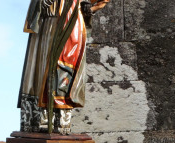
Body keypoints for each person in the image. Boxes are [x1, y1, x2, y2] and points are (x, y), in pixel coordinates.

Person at [18, 0, 110, 133]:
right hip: (46, 24)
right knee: (40, 71)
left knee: (62, 72)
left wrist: (89, 6)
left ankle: (59, 123)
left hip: (70, 24)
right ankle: (40, 122)